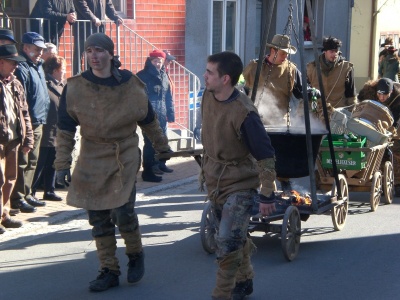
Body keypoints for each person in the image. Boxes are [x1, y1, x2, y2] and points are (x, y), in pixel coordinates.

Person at [54, 33, 171, 292]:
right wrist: (62, 164)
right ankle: (108, 269)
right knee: (97, 216)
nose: (94, 56)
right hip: (91, 155)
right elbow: (64, 129)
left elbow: (149, 120)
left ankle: (135, 253)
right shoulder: (75, 87)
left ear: (110, 54)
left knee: (122, 212)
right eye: (89, 51)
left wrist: (162, 148)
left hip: (124, 154)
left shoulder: (130, 84)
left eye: (99, 51)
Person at [200, 51, 277, 300]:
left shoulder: (244, 113)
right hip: (215, 179)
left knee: (227, 241)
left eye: (210, 72)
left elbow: (265, 154)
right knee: (236, 234)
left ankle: (221, 294)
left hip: (241, 183)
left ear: (225, 79)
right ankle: (245, 280)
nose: (205, 76)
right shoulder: (207, 96)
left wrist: (267, 193)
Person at [243, 34, 314, 192]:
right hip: (255, 121)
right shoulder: (253, 67)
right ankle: (256, 187)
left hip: (280, 122)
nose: (285, 56)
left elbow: (300, 92)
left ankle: (285, 185)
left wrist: (310, 93)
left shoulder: (291, 69)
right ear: (272, 50)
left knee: (280, 158)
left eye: (287, 53)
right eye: (283, 53)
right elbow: (243, 88)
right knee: (255, 157)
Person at [10, 32, 51, 213]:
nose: (40, 52)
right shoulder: (22, 67)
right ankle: (18, 197)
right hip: (28, 122)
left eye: (42, 49)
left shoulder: (38, 66)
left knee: (33, 160)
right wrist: (25, 123)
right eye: (36, 49)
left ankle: (27, 193)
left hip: (39, 119)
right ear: (26, 47)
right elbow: (22, 99)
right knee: (23, 161)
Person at [0, 44, 34, 234]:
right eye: (13, 63)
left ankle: (4, 214)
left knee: (11, 178)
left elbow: (24, 112)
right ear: (1, 62)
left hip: (13, 139)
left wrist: (28, 137)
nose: (15, 66)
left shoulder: (15, 83)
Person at [31, 55, 66, 202]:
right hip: (46, 129)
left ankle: (49, 190)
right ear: (55, 70)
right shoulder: (45, 83)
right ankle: (31, 192)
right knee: (40, 163)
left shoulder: (63, 85)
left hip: (58, 130)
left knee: (53, 162)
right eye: (62, 69)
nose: (64, 72)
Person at [357, 77, 400, 196]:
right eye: (379, 94)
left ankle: (397, 182)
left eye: (385, 95)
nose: (381, 98)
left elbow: (395, 120)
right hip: (373, 120)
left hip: (392, 122)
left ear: (390, 93)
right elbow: (359, 103)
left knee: (395, 149)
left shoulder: (398, 98)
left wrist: (390, 132)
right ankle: (374, 176)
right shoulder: (369, 91)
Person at [137, 50, 175, 182]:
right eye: (155, 61)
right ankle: (150, 168)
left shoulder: (164, 75)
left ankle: (160, 164)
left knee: (163, 140)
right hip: (149, 115)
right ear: (150, 61)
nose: (158, 63)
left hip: (162, 113)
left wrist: (170, 113)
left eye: (160, 61)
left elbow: (168, 96)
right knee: (150, 143)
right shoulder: (142, 76)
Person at [306, 35, 357, 121]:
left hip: (338, 115)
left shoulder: (346, 68)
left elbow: (351, 95)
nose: (334, 54)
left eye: (336, 51)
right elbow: (306, 93)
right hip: (316, 114)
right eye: (331, 51)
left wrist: (352, 115)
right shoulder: (311, 68)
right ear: (325, 51)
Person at [73, 0, 123, 75]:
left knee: (95, 53)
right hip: (83, 28)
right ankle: (77, 77)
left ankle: (92, 75)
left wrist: (115, 17)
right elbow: (81, 4)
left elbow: (108, 5)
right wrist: (93, 18)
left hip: (99, 28)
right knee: (80, 53)